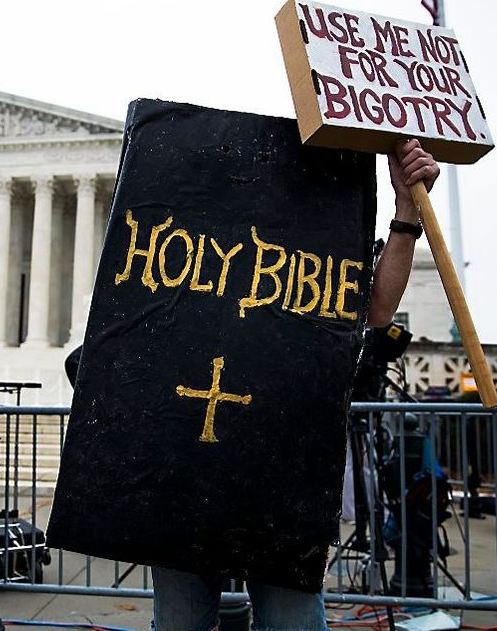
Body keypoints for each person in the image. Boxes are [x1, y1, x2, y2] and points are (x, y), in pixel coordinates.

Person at [150, 138, 441, 631]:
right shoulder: (189, 250)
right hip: (189, 473)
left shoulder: (304, 257)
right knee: (180, 623)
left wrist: (406, 208)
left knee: (293, 622)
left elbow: (375, 311)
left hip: (283, 477)